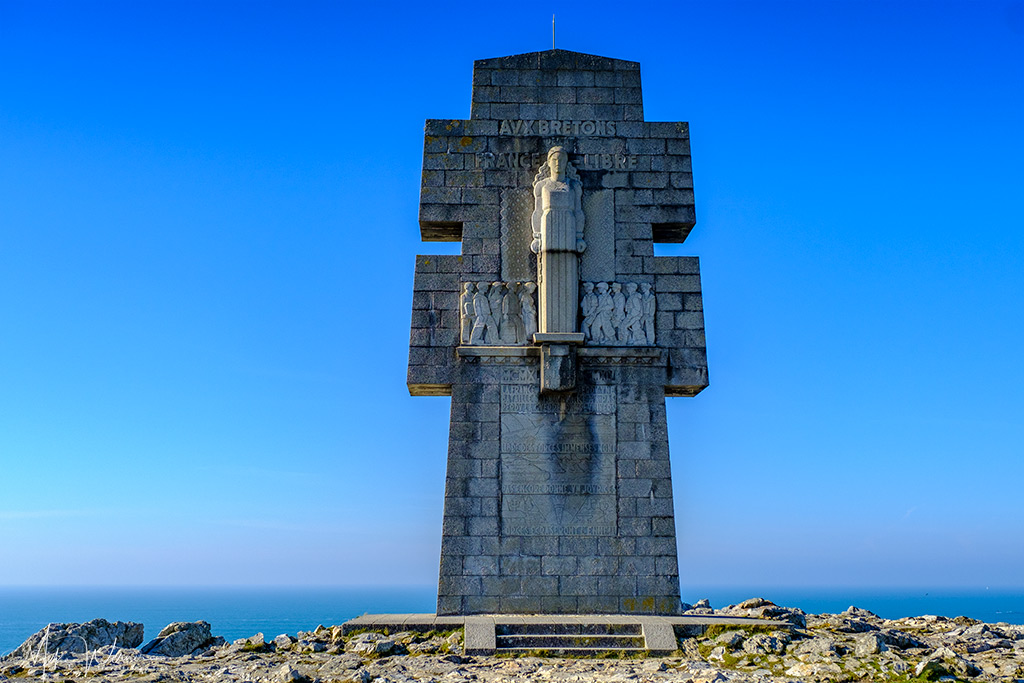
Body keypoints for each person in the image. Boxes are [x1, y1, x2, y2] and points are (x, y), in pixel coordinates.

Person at [531, 146, 585, 334]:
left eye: (561, 159)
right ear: (549, 162)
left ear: (566, 162)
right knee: (547, 273)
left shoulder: (573, 186)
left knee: (568, 272)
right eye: (554, 159)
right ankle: (549, 327)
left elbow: (578, 212)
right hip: (549, 226)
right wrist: (537, 236)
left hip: (568, 227)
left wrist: (579, 236)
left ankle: (568, 327)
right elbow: (537, 212)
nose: (557, 162)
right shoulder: (542, 186)